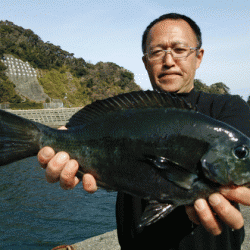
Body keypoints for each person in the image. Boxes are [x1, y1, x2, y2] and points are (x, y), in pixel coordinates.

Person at [38, 13, 250, 249]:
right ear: (146, 61)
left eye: (179, 49)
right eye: (157, 51)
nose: (168, 60)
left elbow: (240, 169)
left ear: (198, 57)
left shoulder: (228, 109)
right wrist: (63, 151)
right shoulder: (125, 116)